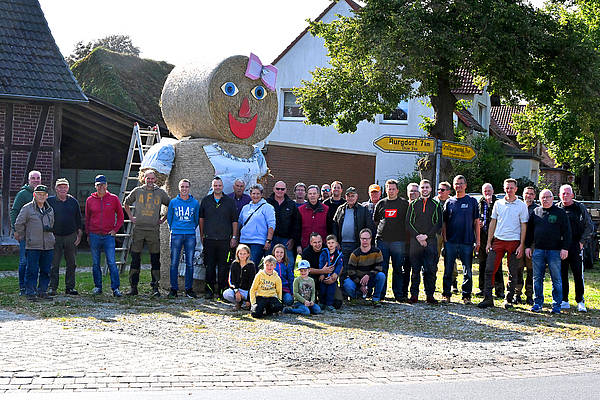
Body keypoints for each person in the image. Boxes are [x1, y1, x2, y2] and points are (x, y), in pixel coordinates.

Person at [478, 179, 529, 309]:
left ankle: (509, 299)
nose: (509, 190)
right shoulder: (498, 204)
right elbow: (492, 223)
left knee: (513, 272)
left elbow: (524, 226)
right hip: (498, 240)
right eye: (507, 188)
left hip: (514, 242)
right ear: (504, 188)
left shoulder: (521, 205)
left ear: (516, 189)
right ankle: (488, 298)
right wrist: (489, 241)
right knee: (490, 269)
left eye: (511, 188)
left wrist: (522, 244)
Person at [123, 170, 171, 297]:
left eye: (152, 178)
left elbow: (171, 205)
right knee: (135, 258)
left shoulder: (160, 192)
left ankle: (155, 287)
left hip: (153, 231)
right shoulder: (137, 191)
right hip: (138, 229)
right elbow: (126, 203)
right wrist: (131, 217)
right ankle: (133, 287)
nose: (150, 181)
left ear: (155, 179)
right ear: (143, 179)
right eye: (147, 178)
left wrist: (162, 219)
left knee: (155, 259)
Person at [525, 189, 571, 313]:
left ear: (552, 198)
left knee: (556, 279)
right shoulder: (535, 212)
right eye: (542, 197)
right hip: (538, 250)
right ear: (539, 199)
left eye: (547, 197)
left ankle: (556, 305)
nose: (545, 199)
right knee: (537, 278)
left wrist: (565, 248)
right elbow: (529, 232)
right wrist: (528, 246)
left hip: (555, 251)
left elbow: (567, 232)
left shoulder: (560, 213)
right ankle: (538, 303)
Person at [441, 175, 480, 304]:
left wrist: (478, 240)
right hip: (451, 241)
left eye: (461, 183)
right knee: (448, 270)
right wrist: (445, 239)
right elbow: (444, 223)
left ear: (466, 185)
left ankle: (466, 296)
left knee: (467, 270)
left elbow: (476, 222)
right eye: (457, 184)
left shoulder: (472, 201)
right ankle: (446, 294)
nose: (459, 186)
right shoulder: (449, 202)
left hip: (467, 241)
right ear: (453, 186)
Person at [200, 176, 239, 299]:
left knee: (224, 266)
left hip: (225, 241)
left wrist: (234, 237)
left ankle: (223, 290)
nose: (217, 187)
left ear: (222, 187)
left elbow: (234, 221)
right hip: (209, 239)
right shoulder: (206, 201)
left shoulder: (229, 201)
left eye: (219, 185)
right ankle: (209, 290)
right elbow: (201, 219)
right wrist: (202, 235)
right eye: (215, 185)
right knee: (209, 266)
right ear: (212, 186)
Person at [85, 175, 124, 297]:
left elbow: (121, 216)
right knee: (96, 263)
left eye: (103, 184)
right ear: (95, 186)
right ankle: (98, 287)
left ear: (107, 185)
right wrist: (88, 233)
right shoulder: (89, 200)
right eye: (98, 185)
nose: (101, 187)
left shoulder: (113, 199)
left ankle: (115, 288)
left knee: (111, 262)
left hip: (108, 236)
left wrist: (115, 230)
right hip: (95, 235)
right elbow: (87, 218)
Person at [557, 184, 594, 312]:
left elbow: (589, 226)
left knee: (578, 274)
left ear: (572, 195)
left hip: (576, 245)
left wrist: (582, 242)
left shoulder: (579, 207)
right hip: (561, 247)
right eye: (563, 193)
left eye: (568, 193)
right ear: (559, 195)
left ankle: (580, 300)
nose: (565, 196)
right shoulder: (557, 208)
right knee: (562, 274)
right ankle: (564, 300)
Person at [14, 185, 54, 301]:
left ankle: (42, 291)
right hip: (33, 245)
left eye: (43, 194)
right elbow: (18, 224)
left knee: (46, 270)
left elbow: (52, 224)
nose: (41, 196)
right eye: (38, 194)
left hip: (48, 245)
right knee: (32, 270)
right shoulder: (27, 208)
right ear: (34, 195)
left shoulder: (50, 209)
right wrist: (25, 237)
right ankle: (30, 292)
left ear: (47, 196)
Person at [406, 179, 442, 304]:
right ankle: (414, 295)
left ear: (431, 189)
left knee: (430, 270)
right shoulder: (414, 204)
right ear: (420, 190)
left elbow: (438, 224)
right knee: (415, 270)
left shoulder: (436, 205)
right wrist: (418, 237)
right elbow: (408, 223)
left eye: (427, 187)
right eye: (423, 187)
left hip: (430, 241)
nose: (425, 189)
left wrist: (426, 236)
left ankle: (430, 295)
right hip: (415, 242)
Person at [373, 179, 409, 302]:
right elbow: (376, 221)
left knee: (398, 268)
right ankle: (381, 294)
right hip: (382, 241)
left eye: (393, 189)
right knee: (382, 269)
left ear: (397, 190)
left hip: (398, 241)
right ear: (386, 190)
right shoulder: (381, 203)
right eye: (389, 188)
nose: (391, 191)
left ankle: (398, 294)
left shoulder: (404, 204)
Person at [47, 178, 83, 296]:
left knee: (72, 263)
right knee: (54, 264)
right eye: (60, 187)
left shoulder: (73, 202)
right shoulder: (50, 201)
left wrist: (79, 235)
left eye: (65, 187)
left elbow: (79, 219)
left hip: (70, 236)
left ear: (68, 188)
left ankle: (70, 287)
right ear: (56, 189)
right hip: (55, 236)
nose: (62, 189)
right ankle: (52, 287)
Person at [332, 187, 374, 283]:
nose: (350, 198)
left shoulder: (363, 210)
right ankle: (344, 292)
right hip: (342, 244)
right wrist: (336, 241)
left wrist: (365, 243)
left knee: (358, 269)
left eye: (352, 196)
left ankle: (358, 292)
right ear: (345, 197)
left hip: (357, 244)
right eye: (348, 196)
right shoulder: (341, 209)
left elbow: (369, 227)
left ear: (357, 197)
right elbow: (334, 225)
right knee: (343, 268)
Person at [167, 179, 200, 298]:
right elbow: (169, 218)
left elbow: (196, 220)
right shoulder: (173, 202)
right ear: (179, 188)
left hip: (190, 235)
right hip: (176, 234)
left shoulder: (195, 203)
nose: (184, 189)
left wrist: (190, 228)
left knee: (190, 263)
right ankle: (173, 289)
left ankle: (188, 289)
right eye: (182, 187)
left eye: (186, 187)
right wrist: (175, 229)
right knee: (174, 262)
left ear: (189, 188)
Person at [10, 170, 42, 295]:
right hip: (25, 234)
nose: (35, 180)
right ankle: (22, 287)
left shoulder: (42, 194)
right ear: (29, 180)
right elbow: (14, 211)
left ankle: (32, 286)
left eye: (38, 178)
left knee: (35, 262)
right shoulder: (23, 194)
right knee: (24, 261)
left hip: (38, 235)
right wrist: (16, 230)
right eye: (33, 178)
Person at [343, 228, 386, 307]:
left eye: (367, 239)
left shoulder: (377, 252)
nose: (365, 241)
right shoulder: (355, 254)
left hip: (371, 278)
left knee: (381, 276)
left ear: (371, 239)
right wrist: (360, 285)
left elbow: (379, 267)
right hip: (357, 280)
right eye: (363, 239)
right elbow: (350, 271)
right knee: (347, 283)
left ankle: (376, 299)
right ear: (360, 239)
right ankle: (356, 297)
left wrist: (368, 275)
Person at [476, 183, 503, 298]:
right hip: (482, 237)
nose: (487, 193)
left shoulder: (498, 203)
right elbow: (476, 217)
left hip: (495, 238)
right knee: (482, 264)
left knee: (496, 264)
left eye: (489, 190)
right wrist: (478, 223)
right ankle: (482, 288)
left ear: (493, 191)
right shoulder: (479, 203)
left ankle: (499, 289)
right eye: (485, 191)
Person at [238, 184, 276, 267]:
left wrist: (268, 240)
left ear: (262, 195)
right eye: (253, 193)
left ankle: (253, 280)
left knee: (251, 265)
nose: (255, 196)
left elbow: (271, 225)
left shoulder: (267, 207)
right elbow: (240, 223)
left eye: (258, 193)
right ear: (250, 194)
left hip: (258, 242)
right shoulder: (245, 208)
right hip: (244, 240)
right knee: (242, 264)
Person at [266, 181, 301, 269]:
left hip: (286, 239)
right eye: (278, 189)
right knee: (269, 263)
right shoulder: (267, 203)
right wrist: (267, 239)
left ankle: (288, 282)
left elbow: (296, 223)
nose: (280, 191)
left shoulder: (291, 204)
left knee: (289, 263)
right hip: (271, 239)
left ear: (285, 190)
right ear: (274, 189)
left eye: (282, 189)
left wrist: (293, 239)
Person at [434, 181, 458, 293]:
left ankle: (453, 282)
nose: (440, 191)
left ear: (448, 191)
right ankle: (431, 281)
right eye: (439, 189)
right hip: (436, 233)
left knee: (450, 259)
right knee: (434, 258)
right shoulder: (434, 201)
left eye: (442, 190)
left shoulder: (453, 201)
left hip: (450, 234)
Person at [519, 186, 538, 305]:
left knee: (531, 271)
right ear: (523, 194)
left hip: (532, 245)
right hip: (518, 243)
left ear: (535, 196)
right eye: (527, 193)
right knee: (517, 269)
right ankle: (517, 293)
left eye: (531, 194)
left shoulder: (537, 210)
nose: (529, 196)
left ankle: (530, 295)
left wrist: (531, 246)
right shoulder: (518, 207)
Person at [223, 244, 256, 310]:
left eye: (244, 254)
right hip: (237, 289)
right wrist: (236, 291)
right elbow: (231, 280)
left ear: (248, 254)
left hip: (247, 290)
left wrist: (249, 299)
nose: (242, 255)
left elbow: (252, 283)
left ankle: (247, 303)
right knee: (226, 294)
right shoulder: (234, 264)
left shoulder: (251, 265)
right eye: (240, 253)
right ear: (237, 254)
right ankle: (239, 303)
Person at [297, 185, 329, 254]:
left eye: (314, 194)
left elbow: (330, 228)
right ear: (307, 195)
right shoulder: (300, 210)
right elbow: (297, 229)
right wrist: (298, 245)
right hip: (305, 246)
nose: (312, 196)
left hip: (322, 246)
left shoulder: (326, 209)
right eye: (310, 194)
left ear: (318, 195)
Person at [301, 232, 329, 302]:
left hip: (326, 275)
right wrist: (322, 271)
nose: (317, 245)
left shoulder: (327, 249)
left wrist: (327, 274)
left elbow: (334, 264)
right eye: (315, 242)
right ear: (311, 243)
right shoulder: (306, 252)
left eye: (319, 242)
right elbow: (306, 269)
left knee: (337, 303)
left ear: (322, 241)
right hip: (312, 277)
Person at [318, 234, 343, 311]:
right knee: (322, 290)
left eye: (332, 242)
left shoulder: (338, 255)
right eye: (329, 243)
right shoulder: (324, 253)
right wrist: (322, 273)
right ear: (326, 244)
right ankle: (321, 303)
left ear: (336, 244)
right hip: (324, 276)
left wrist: (335, 273)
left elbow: (339, 265)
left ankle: (329, 304)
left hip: (332, 277)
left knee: (330, 291)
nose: (331, 244)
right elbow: (321, 263)